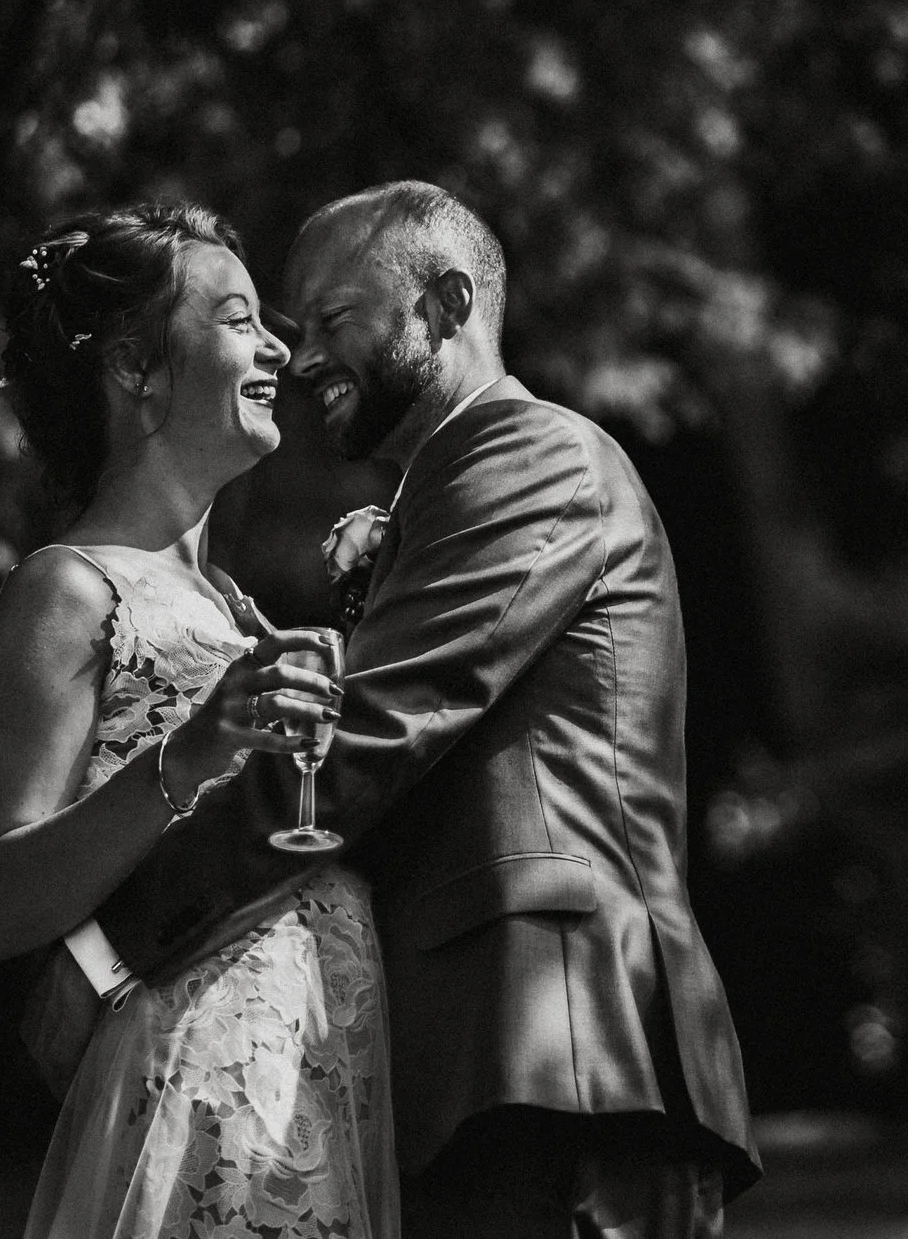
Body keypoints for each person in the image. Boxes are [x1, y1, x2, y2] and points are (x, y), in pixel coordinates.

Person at [91, 181, 760, 1238]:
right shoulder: (445, 491)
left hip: (558, 1052)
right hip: (487, 1074)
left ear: (445, 306)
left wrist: (113, 947)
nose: (302, 358)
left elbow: (374, 730)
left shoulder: (536, 460)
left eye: (334, 320)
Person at [0, 204, 391, 1239]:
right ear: (136, 367)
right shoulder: (69, 590)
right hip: (194, 1104)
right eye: (239, 318)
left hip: (314, 1089)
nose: (279, 345)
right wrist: (187, 754)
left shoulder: (238, 610)